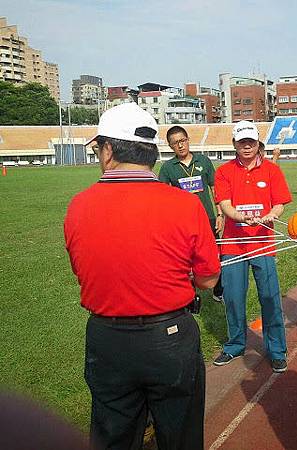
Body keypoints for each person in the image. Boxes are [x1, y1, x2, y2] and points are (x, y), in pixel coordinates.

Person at [64, 103, 220, 449]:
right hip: (170, 338)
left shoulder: (79, 205)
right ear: (151, 153)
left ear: (108, 151)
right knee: (181, 437)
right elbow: (209, 279)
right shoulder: (185, 205)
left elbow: (84, 272)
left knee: (112, 437)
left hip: (108, 339)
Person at [213, 121, 292, 373]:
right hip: (233, 244)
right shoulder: (224, 171)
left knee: (269, 298)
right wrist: (239, 217)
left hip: (263, 243)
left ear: (258, 143)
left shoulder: (272, 170)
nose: (247, 146)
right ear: (234, 144)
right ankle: (235, 344)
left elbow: (280, 202)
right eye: (241, 142)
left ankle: (277, 349)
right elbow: (225, 205)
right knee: (234, 299)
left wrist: (272, 214)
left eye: (251, 142)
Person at [158, 125, 225, 302]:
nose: (180, 145)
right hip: (183, 223)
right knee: (186, 259)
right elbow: (162, 197)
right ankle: (189, 295)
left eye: (182, 141)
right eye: (175, 143)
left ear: (188, 140)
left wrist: (220, 214)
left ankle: (218, 291)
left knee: (215, 255)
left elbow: (214, 188)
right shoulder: (167, 168)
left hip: (208, 218)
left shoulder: (203, 161)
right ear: (170, 146)